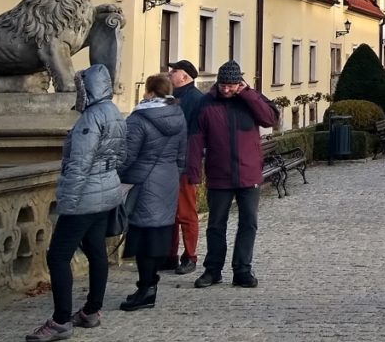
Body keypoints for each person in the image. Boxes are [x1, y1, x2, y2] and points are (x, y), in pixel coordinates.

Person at [26, 64, 125, 342]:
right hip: (105, 193)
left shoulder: (90, 119)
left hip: (84, 197)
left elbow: (79, 165)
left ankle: (60, 320)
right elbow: (122, 154)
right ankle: (92, 310)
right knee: (96, 252)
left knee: (58, 256)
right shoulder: (114, 112)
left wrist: (67, 204)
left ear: (88, 88)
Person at [187, 61, 276, 289]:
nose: (226, 89)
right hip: (219, 174)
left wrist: (248, 94)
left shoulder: (250, 99)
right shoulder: (206, 104)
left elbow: (270, 119)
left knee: (249, 223)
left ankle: (242, 270)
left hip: (248, 174)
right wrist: (194, 172)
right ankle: (213, 270)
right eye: (223, 84)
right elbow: (195, 139)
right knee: (216, 225)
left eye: (231, 85)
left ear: (240, 83)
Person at [118, 74, 187, 311]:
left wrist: (117, 176)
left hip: (144, 182)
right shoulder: (178, 115)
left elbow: (127, 155)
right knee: (157, 236)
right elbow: (181, 156)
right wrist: (171, 176)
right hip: (167, 180)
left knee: (143, 237)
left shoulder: (139, 118)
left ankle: (146, 289)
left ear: (149, 92)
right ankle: (149, 287)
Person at [166, 59, 204, 274]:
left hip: (185, 163)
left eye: (174, 71)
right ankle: (169, 255)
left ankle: (190, 256)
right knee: (170, 212)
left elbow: (197, 134)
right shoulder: (173, 97)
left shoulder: (196, 99)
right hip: (170, 163)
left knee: (186, 212)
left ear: (185, 76)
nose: (169, 73)